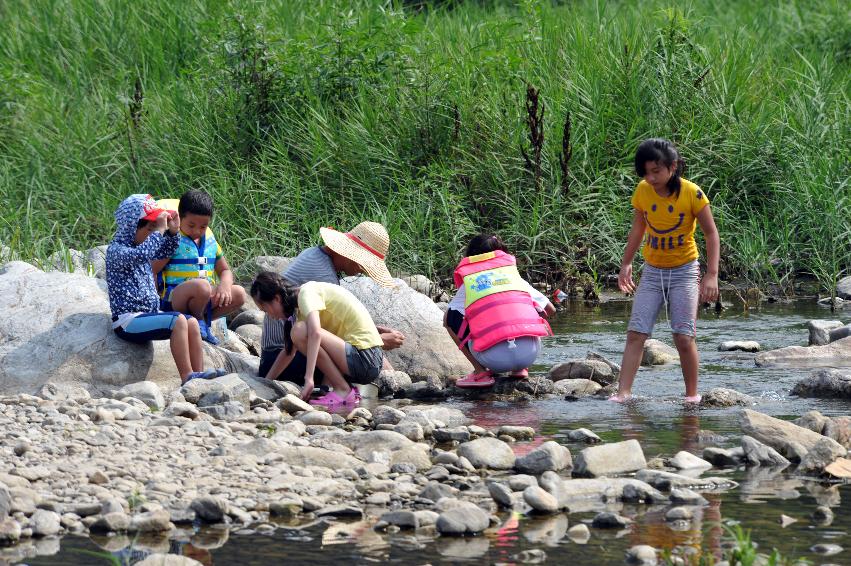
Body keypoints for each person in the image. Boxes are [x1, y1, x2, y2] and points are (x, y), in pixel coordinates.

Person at [610, 138, 720, 404]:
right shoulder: (643, 191)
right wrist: (626, 263)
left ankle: (692, 396)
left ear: (673, 167)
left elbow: (711, 233)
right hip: (652, 271)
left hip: (684, 272)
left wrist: (712, 274)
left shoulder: (692, 194)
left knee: (683, 336)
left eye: (656, 171)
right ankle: (623, 393)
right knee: (636, 333)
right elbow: (638, 229)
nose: (650, 178)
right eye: (646, 173)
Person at [258, 221, 404, 384]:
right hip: (282, 357)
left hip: (274, 357)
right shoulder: (325, 277)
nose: (362, 270)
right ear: (351, 256)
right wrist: (380, 340)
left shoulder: (314, 254)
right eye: (364, 265)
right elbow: (329, 335)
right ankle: (386, 383)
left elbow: (334, 320)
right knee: (366, 359)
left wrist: (373, 329)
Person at [106, 194, 224, 383]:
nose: (154, 233)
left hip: (147, 315)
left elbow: (167, 250)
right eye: (150, 228)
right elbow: (143, 254)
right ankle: (187, 376)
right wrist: (160, 230)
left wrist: (173, 231)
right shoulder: (117, 250)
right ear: (131, 227)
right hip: (127, 321)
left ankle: (199, 376)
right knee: (178, 320)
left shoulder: (143, 247)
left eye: (155, 228)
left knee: (192, 322)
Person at [251, 271, 384, 408]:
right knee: (298, 331)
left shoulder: (307, 293)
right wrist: (264, 383)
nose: (270, 316)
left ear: (277, 299)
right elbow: (289, 352)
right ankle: (340, 389)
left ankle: (343, 389)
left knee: (299, 331)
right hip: (359, 359)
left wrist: (309, 379)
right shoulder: (301, 310)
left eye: (266, 310)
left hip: (366, 359)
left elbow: (315, 333)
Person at [445, 234, 555, 388]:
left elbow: (450, 319)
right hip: (529, 354)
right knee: (528, 312)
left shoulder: (470, 281)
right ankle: (520, 368)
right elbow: (550, 309)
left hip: (494, 360)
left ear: (470, 256)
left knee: (448, 319)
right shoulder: (513, 277)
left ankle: (480, 372)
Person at [152, 190, 246, 345]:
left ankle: (201, 319)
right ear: (180, 218)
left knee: (239, 294)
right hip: (174, 300)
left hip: (203, 299)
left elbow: (225, 270)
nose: (197, 231)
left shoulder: (210, 242)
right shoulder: (172, 239)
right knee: (202, 286)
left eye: (203, 226)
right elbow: (153, 270)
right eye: (191, 225)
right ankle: (200, 321)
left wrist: (224, 286)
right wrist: (153, 304)